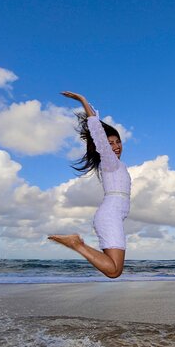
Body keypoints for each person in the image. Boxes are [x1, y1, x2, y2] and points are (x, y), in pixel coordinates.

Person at [48, 91, 130, 278]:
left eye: (118, 141)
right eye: (110, 143)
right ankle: (76, 243)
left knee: (115, 269)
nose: (116, 146)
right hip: (110, 215)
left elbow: (101, 134)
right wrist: (83, 101)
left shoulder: (118, 164)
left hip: (113, 216)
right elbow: (98, 133)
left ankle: (76, 244)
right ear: (103, 147)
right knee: (114, 270)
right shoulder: (109, 161)